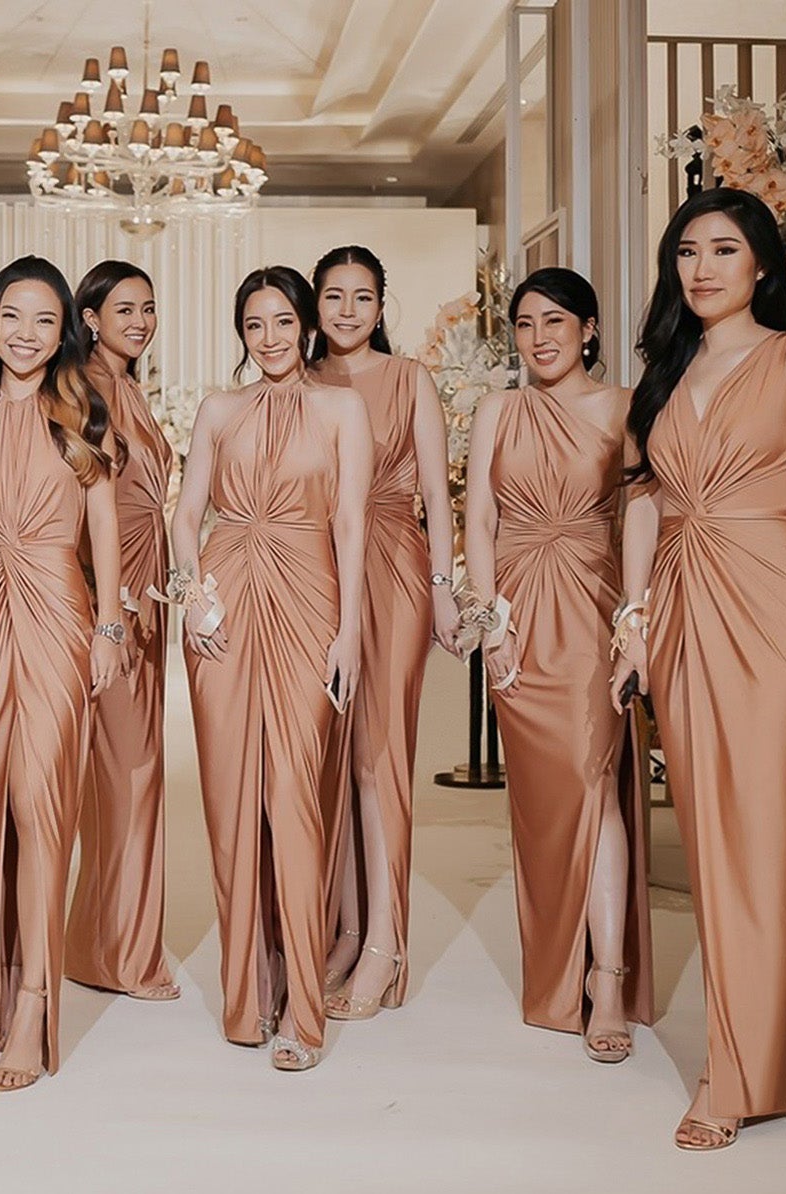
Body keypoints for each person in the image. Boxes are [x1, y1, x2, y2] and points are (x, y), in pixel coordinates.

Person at [607, 188, 786, 1151]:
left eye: (723, 249)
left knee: (768, 836)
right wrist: (631, 623)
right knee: (705, 835)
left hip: (770, 596)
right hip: (677, 607)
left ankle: (736, 1073)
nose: (701, 268)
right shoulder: (660, 374)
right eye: (686, 252)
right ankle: (755, 1061)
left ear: (761, 266)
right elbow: (640, 505)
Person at [0, 256, 127, 1091]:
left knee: (43, 803)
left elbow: (106, 532)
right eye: (12, 316)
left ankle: (36, 1000)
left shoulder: (80, 412)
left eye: (44, 320)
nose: (26, 334)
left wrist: (110, 626)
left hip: (54, 612)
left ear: (64, 332)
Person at [168, 266, 370, 1072]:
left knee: (293, 791)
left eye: (282, 321)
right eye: (254, 325)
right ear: (240, 333)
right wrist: (190, 597)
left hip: (309, 597)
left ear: (306, 325)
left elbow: (352, 523)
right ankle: (249, 991)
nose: (270, 338)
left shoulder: (341, 408)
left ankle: (305, 1014)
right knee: (229, 798)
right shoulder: (220, 409)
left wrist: (350, 630)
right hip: (222, 601)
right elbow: (186, 515)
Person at [460, 267, 655, 1064]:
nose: (539, 337)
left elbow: (643, 508)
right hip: (515, 621)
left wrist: (634, 619)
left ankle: (606, 978)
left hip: (588, 609)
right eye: (524, 323)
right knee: (542, 803)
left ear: (589, 329)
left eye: (555, 322)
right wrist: (489, 623)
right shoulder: (497, 410)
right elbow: (477, 520)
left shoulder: (623, 408)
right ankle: (557, 966)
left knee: (589, 781)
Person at [306, 246, 457, 1020]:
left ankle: (384, 946)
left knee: (378, 756)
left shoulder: (409, 381)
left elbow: (436, 491)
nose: (345, 311)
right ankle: (342, 928)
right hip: (312, 572)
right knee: (324, 758)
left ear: (380, 304)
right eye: (332, 296)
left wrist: (444, 591)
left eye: (361, 297)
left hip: (393, 566)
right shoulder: (296, 381)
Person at [65, 259, 182, 1003]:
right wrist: (106, 604)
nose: (137, 321)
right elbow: (74, 501)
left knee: (128, 767)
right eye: (123, 310)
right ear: (90, 319)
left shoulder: (128, 386)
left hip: (149, 580)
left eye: (146, 309)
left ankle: (100, 942)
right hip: (115, 591)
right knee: (122, 768)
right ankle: (118, 954)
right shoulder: (83, 393)